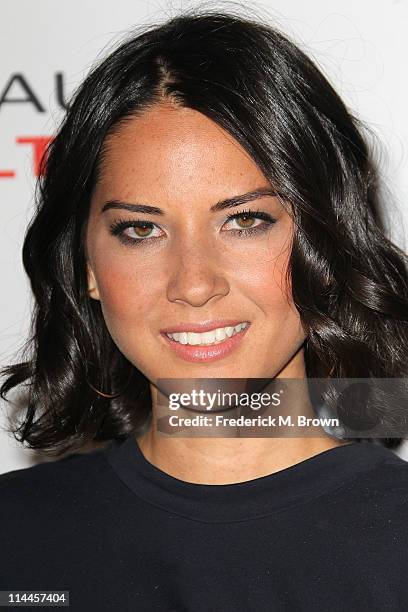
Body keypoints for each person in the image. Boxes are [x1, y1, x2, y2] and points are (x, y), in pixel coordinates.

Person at [1, 8, 408, 611]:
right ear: (86, 264)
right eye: (140, 230)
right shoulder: (14, 534)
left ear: (327, 242)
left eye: (246, 221)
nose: (193, 284)